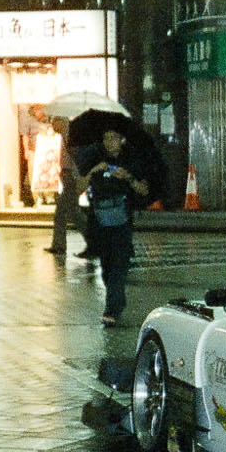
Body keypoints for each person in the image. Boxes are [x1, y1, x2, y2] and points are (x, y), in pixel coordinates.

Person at [80, 126, 148, 325]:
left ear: (122, 140)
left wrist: (127, 177)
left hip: (121, 223)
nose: (110, 142)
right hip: (100, 223)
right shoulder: (96, 161)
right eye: (106, 138)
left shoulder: (130, 162)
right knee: (106, 268)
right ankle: (117, 301)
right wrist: (94, 171)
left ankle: (112, 309)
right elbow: (78, 187)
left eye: (114, 138)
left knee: (119, 266)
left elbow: (143, 190)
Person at [44, 117, 85, 258]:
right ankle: (59, 245)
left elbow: (76, 159)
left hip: (71, 178)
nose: (53, 126)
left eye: (55, 122)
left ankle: (60, 245)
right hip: (68, 176)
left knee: (63, 212)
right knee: (71, 212)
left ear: (62, 121)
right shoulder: (64, 136)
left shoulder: (70, 137)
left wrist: (76, 176)